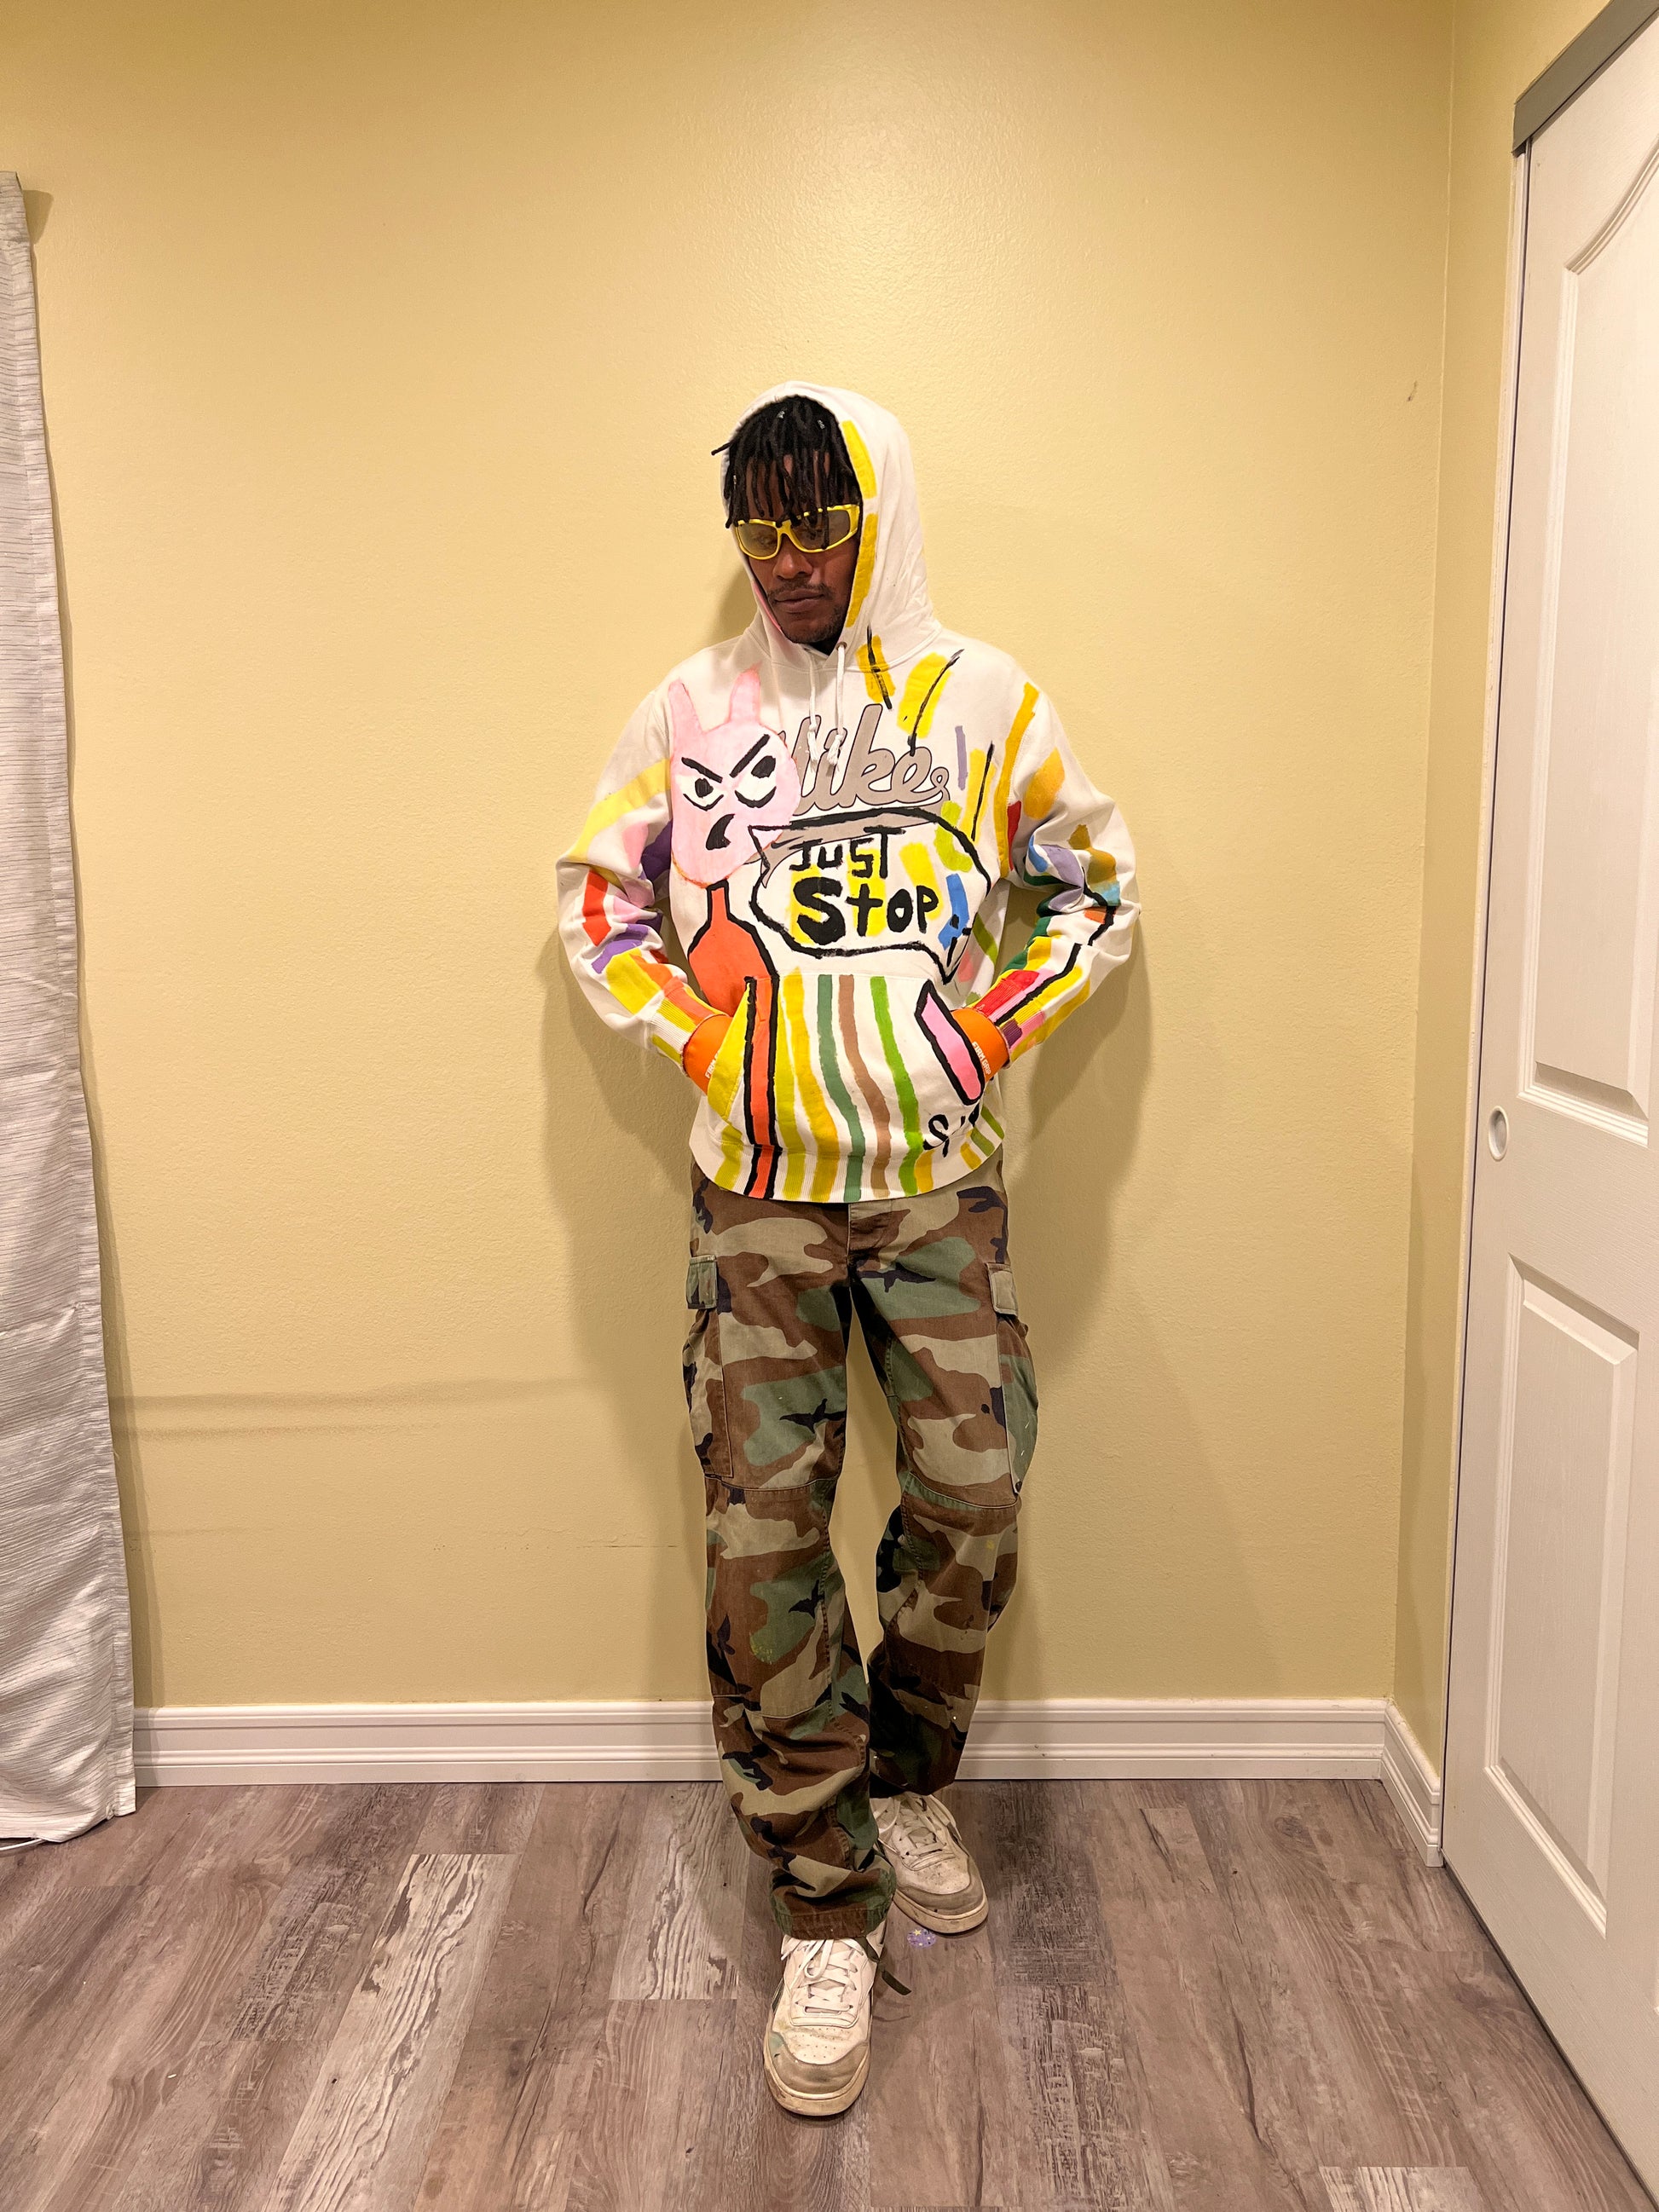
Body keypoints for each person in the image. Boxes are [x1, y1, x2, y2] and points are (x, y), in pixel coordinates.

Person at [558, 384, 1138, 2117]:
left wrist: (984, 1029)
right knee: (763, 1543)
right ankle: (823, 1902)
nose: (787, 557)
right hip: (757, 1193)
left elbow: (1093, 885)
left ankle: (902, 1781)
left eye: (818, 519)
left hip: (936, 1182)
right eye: (758, 525)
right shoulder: (688, 713)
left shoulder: (987, 701)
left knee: (974, 1491)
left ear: (876, 513)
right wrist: (704, 1037)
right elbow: (598, 900)